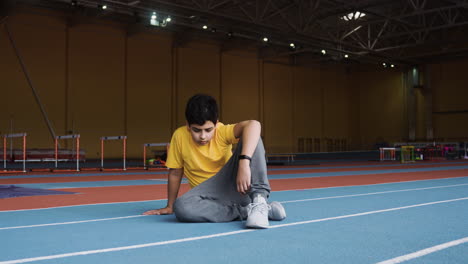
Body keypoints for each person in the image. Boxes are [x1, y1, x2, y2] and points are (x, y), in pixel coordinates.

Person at [143, 94, 286, 228]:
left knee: (253, 136)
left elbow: (254, 124)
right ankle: (247, 211)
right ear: (188, 125)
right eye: (196, 130)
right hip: (206, 198)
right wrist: (170, 206)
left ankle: (260, 200)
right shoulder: (179, 136)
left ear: (216, 123)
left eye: (208, 129)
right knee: (181, 207)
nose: (203, 136)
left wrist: (244, 162)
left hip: (236, 188)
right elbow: (175, 173)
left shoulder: (222, 131)